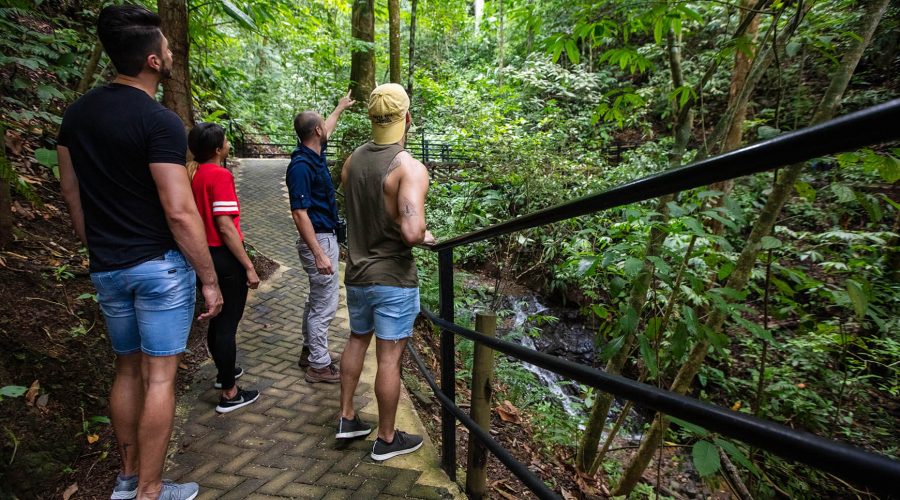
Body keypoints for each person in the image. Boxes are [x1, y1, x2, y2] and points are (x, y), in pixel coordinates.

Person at [57, 5, 222, 500]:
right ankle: (151, 491)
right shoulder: (160, 121)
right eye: (167, 48)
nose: (172, 53)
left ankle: (127, 480)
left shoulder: (76, 114)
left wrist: (99, 246)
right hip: (159, 268)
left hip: (108, 266)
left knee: (126, 367)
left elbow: (71, 193)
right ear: (152, 61)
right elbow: (178, 210)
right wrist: (209, 278)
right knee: (159, 378)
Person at [336, 83, 435, 461]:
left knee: (357, 340)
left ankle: (347, 417)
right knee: (390, 357)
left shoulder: (352, 161)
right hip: (392, 277)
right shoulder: (408, 167)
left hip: (358, 273)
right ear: (407, 118)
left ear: (371, 119)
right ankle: (388, 438)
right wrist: (425, 234)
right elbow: (411, 231)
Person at [188, 123, 261, 413]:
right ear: (218, 149)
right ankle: (230, 393)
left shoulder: (191, 175)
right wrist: (248, 265)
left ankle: (223, 375)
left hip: (201, 256)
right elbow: (225, 226)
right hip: (223, 257)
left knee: (218, 321)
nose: (229, 143)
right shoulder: (219, 175)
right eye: (226, 141)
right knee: (227, 325)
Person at [285, 92, 354, 383]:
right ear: (316, 131)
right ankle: (319, 365)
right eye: (322, 125)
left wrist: (339, 106)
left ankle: (309, 351)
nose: (326, 127)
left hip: (324, 237)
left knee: (316, 300)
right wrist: (319, 253)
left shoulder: (313, 154)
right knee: (325, 305)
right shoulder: (300, 166)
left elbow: (329, 126)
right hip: (319, 240)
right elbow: (300, 214)